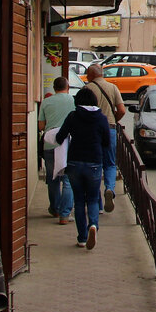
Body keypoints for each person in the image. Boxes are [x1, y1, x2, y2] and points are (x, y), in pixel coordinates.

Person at [58, 87, 113, 249]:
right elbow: (106, 143)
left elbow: (60, 136)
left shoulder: (73, 116)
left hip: (74, 162)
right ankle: (93, 225)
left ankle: (82, 238)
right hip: (94, 163)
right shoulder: (101, 118)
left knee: (79, 200)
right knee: (93, 198)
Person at [86, 63, 127, 214]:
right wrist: (113, 120)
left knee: (94, 165)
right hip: (109, 129)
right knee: (110, 164)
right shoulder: (112, 87)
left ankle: (98, 205)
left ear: (90, 75)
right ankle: (109, 188)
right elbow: (122, 110)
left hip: (91, 131)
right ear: (102, 74)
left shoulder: (87, 89)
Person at [38, 77, 75, 224]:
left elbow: (41, 126)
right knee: (68, 179)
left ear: (54, 88)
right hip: (69, 142)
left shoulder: (46, 102)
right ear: (68, 87)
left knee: (52, 179)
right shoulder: (73, 101)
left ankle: (55, 208)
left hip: (50, 143)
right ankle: (65, 214)